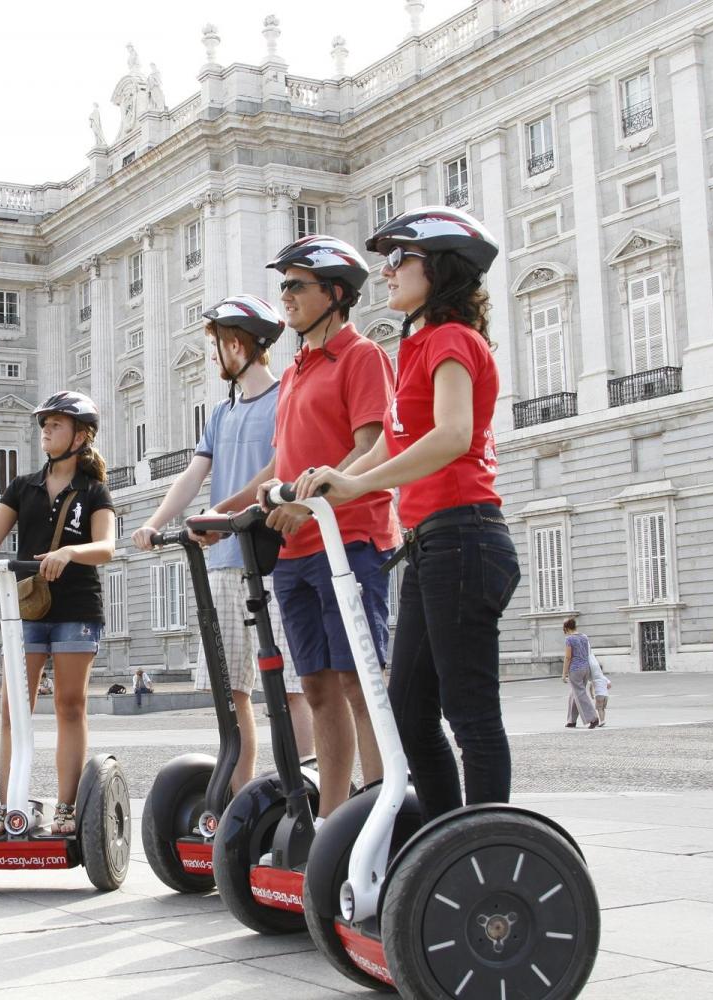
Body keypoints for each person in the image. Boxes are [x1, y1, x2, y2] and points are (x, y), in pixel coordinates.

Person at [296, 206, 525, 819]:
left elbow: (451, 436)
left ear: (441, 269)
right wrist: (340, 481)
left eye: (400, 259)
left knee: (468, 711)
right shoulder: (417, 344)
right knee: (409, 711)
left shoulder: (450, 339)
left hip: (465, 537)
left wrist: (355, 482)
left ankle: (483, 846)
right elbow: (395, 442)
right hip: (431, 544)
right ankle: (442, 840)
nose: (387, 271)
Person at [133, 293, 316, 791]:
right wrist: (155, 521)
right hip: (225, 563)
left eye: (216, 344)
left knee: (293, 688)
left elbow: (283, 466)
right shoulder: (220, 413)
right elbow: (194, 475)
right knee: (232, 690)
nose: (212, 356)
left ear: (239, 344)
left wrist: (224, 511)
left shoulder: (286, 397)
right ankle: (244, 804)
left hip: (277, 559)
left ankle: (298, 795)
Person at [247, 234, 396, 820]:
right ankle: (335, 822)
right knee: (315, 689)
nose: (284, 295)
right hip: (294, 551)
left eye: (295, 285)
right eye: (282, 285)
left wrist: (311, 502)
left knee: (359, 683)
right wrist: (242, 502)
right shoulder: (295, 372)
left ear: (335, 294)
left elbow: (373, 449)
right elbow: (284, 462)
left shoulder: (361, 358)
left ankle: (384, 813)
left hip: (350, 541)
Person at [0, 390, 116, 837]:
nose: (46, 429)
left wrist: (69, 551)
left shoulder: (94, 491)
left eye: (56, 424)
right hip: (27, 609)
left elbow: (106, 546)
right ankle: (10, 807)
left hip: (76, 607)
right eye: (44, 424)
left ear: (81, 435)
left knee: (69, 704)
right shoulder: (22, 487)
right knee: (13, 710)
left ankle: (66, 808)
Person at [562, 619, 600, 729]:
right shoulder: (584, 636)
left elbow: (568, 657)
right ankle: (571, 720)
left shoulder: (569, 639)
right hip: (586, 668)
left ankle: (593, 718)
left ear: (566, 627)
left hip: (575, 669)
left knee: (580, 693)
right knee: (574, 694)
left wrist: (564, 673)